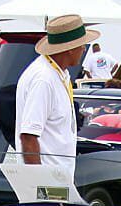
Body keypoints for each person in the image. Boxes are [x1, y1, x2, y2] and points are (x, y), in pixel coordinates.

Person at [15, 14, 98, 177]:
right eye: (82, 44)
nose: (84, 49)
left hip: (57, 177)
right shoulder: (44, 79)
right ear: (70, 48)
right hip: (48, 180)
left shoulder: (56, 74)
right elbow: (28, 136)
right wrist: (39, 183)